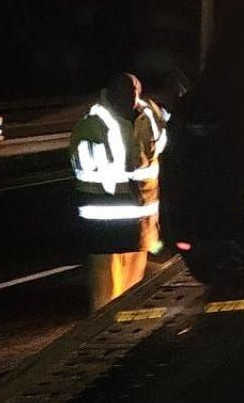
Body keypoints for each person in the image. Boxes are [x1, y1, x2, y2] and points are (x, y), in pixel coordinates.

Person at [71, 72, 170, 307]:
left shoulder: (150, 115)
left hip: (142, 224)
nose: (131, 98)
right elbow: (87, 173)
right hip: (106, 228)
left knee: (134, 294)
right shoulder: (92, 125)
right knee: (106, 296)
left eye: (134, 91)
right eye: (124, 92)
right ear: (109, 93)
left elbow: (165, 139)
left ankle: (129, 326)